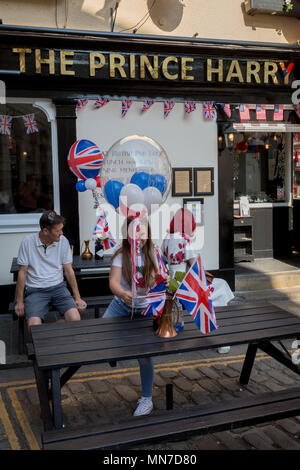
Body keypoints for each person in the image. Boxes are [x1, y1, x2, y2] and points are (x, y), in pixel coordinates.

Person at [103, 217, 168, 417]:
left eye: (142, 232)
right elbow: (113, 282)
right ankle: (114, 353)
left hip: (145, 310)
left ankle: (146, 398)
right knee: (99, 337)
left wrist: (156, 280)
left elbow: (157, 280)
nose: (138, 237)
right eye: (134, 232)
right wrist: (122, 294)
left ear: (147, 234)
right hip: (120, 306)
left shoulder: (153, 254)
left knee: (144, 355)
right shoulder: (121, 256)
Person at [161, 208, 234, 352]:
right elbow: (195, 265)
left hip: (171, 282)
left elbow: (163, 260)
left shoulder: (167, 238)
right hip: (183, 283)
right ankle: (219, 336)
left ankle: (179, 323)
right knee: (220, 287)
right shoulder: (183, 239)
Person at [14, 210, 86, 333]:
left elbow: (68, 271)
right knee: (33, 327)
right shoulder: (27, 242)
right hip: (35, 290)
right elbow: (22, 273)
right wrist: (19, 302)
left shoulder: (63, 241)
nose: (61, 233)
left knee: (75, 318)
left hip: (58, 288)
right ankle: (47, 333)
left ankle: (49, 330)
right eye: (58, 231)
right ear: (45, 231)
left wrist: (77, 297)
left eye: (61, 229)